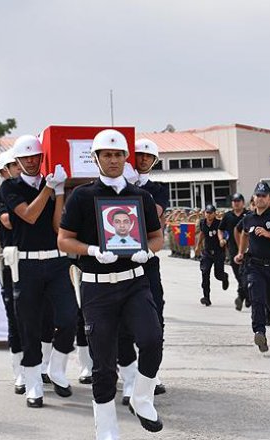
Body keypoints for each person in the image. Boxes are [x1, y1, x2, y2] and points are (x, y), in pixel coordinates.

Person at [58, 129, 165, 437]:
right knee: (103, 364)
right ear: (96, 158)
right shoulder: (82, 196)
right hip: (97, 286)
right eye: (107, 155)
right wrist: (92, 250)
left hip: (134, 283)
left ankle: (142, 398)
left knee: (151, 339)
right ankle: (106, 430)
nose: (113, 160)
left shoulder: (141, 197)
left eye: (119, 155)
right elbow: (64, 240)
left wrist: (147, 251)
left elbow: (157, 237)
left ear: (126, 158)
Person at [0, 134, 77, 407]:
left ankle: (56, 368)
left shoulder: (50, 183)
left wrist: (59, 193)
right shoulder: (10, 187)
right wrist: (49, 188)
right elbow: (29, 215)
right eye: (26, 158)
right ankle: (33, 383)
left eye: (36, 157)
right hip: (27, 263)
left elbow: (57, 226)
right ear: (17, 161)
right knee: (29, 325)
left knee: (69, 318)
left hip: (56, 261)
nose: (31, 162)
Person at [119, 137, 172, 401]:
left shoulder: (158, 188)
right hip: (120, 259)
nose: (143, 160)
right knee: (122, 319)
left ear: (154, 161)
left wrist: (131, 190)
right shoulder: (118, 184)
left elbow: (150, 212)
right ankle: (128, 372)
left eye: (148, 157)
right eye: (139, 155)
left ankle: (151, 371)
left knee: (155, 315)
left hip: (147, 258)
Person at [234, 182, 270, 352]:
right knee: (256, 298)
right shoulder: (248, 218)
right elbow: (244, 234)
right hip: (255, 265)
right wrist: (241, 252)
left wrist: (268, 234)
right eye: (258, 195)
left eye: (263, 195)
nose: (260, 198)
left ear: (269, 198)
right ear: (254, 197)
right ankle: (259, 332)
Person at [0, 149, 28, 394]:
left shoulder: (30, 190)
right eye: (15, 165)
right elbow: (7, 220)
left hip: (35, 260)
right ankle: (20, 371)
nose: (20, 168)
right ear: (4, 171)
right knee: (15, 317)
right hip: (11, 261)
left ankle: (40, 366)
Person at [195, 204, 229, 306]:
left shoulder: (219, 223)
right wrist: (198, 245)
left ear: (214, 214)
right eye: (207, 213)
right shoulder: (202, 222)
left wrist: (223, 240)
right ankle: (206, 297)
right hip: (207, 252)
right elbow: (202, 233)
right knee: (205, 273)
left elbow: (226, 234)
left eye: (211, 213)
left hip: (218, 252)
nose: (209, 215)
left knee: (218, 275)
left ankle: (224, 277)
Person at [220, 193, 248, 310]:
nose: (236, 203)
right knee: (238, 275)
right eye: (234, 201)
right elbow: (220, 229)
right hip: (233, 250)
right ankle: (245, 295)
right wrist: (221, 239)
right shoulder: (228, 216)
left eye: (238, 201)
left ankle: (241, 296)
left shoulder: (248, 215)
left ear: (243, 202)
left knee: (246, 275)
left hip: (247, 250)